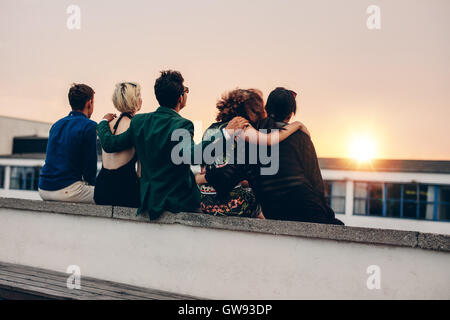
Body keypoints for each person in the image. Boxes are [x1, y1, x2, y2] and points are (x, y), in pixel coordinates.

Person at [96, 70, 248, 219]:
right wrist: (226, 134)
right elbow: (193, 156)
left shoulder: (139, 121)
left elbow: (111, 144)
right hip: (177, 202)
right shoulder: (181, 124)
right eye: (186, 90)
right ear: (181, 97)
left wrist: (103, 122)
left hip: (148, 200)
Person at [195, 88, 306, 218]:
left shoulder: (211, 129)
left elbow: (206, 170)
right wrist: (297, 125)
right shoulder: (244, 129)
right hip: (231, 205)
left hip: (206, 204)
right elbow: (267, 142)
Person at [254, 87, 343, 224]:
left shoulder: (252, 134)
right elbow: (316, 181)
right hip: (304, 207)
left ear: (267, 108)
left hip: (270, 209)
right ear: (290, 114)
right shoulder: (300, 136)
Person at [38, 83, 97, 203]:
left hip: (43, 188)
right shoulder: (89, 126)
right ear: (89, 103)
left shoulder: (57, 124)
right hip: (66, 190)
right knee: (107, 194)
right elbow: (90, 169)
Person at [94, 82, 142, 208]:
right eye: (139, 96)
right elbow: (140, 174)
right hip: (125, 191)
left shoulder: (106, 125)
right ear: (135, 101)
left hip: (101, 188)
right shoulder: (136, 127)